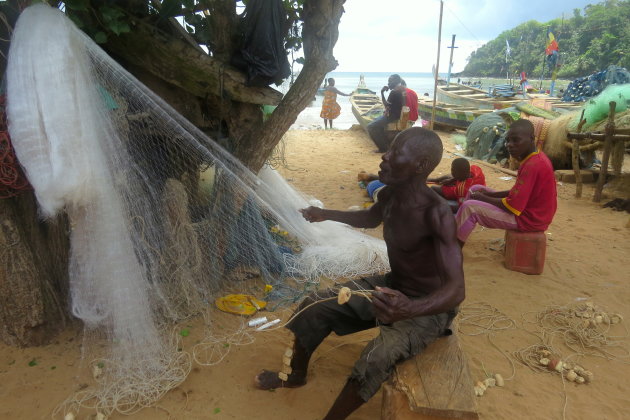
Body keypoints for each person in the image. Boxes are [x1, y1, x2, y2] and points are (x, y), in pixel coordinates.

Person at [254, 127, 465, 420]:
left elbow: (456, 290)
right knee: (312, 307)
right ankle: (294, 376)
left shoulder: (437, 213)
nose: (385, 157)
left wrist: (410, 308)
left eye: (395, 153)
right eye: (388, 149)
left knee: (376, 357)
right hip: (394, 286)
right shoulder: (390, 194)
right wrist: (327, 214)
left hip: (429, 307)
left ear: (420, 165)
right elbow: (369, 217)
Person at [455, 119, 557, 245]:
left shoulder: (533, 165)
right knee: (475, 189)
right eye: (508, 140)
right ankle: (457, 225)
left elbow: (513, 206)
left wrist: (483, 198)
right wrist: (488, 195)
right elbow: (516, 193)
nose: (509, 145)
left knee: (470, 207)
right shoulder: (536, 158)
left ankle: (453, 248)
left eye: (516, 140)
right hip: (532, 213)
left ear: (531, 138)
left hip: (529, 219)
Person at [367, 74, 404, 152]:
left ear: (395, 81)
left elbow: (386, 105)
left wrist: (382, 92)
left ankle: (383, 148)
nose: (388, 83)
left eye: (390, 81)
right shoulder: (401, 89)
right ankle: (386, 144)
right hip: (397, 114)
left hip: (392, 116)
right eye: (388, 81)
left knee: (370, 127)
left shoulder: (394, 92)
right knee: (377, 123)